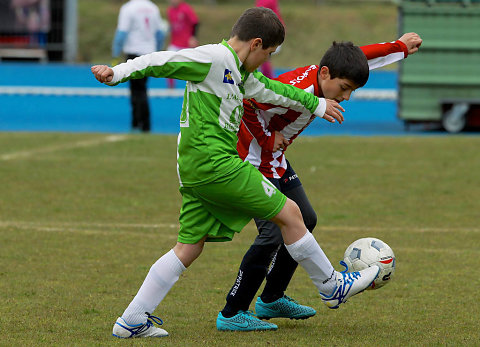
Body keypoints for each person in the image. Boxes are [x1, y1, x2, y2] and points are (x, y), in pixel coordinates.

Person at [91, 7, 380, 339]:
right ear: (256, 44)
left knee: (189, 246)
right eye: (269, 53)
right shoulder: (212, 58)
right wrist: (117, 73)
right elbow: (161, 60)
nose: (267, 58)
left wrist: (316, 105)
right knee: (291, 214)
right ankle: (331, 285)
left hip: (196, 168)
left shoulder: (242, 73)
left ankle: (131, 320)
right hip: (215, 164)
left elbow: (275, 90)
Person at [217, 33, 423, 331]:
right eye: (344, 89)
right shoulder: (297, 88)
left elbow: (360, 56)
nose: (345, 97)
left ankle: (271, 298)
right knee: (274, 232)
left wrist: (399, 48)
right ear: (325, 74)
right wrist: (265, 137)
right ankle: (232, 311)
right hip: (250, 161)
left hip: (274, 161)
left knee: (306, 219)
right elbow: (247, 100)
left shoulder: (328, 72)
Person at [112, 0, 168, 133]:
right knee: (142, 88)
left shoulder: (128, 8)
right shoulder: (153, 7)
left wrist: (115, 54)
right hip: (149, 53)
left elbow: (121, 33)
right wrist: (157, 51)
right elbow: (160, 34)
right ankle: (141, 123)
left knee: (136, 90)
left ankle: (140, 124)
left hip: (134, 53)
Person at [166, 0, 199, 89]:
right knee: (168, 62)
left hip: (186, 43)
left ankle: (195, 86)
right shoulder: (170, 10)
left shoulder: (186, 9)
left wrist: (193, 37)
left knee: (191, 65)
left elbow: (195, 22)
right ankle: (171, 86)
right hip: (175, 43)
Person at [255, 0, 284, 78]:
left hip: (270, 29)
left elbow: (260, 14)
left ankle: (269, 79)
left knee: (264, 56)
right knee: (264, 57)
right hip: (273, 27)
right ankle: (269, 79)